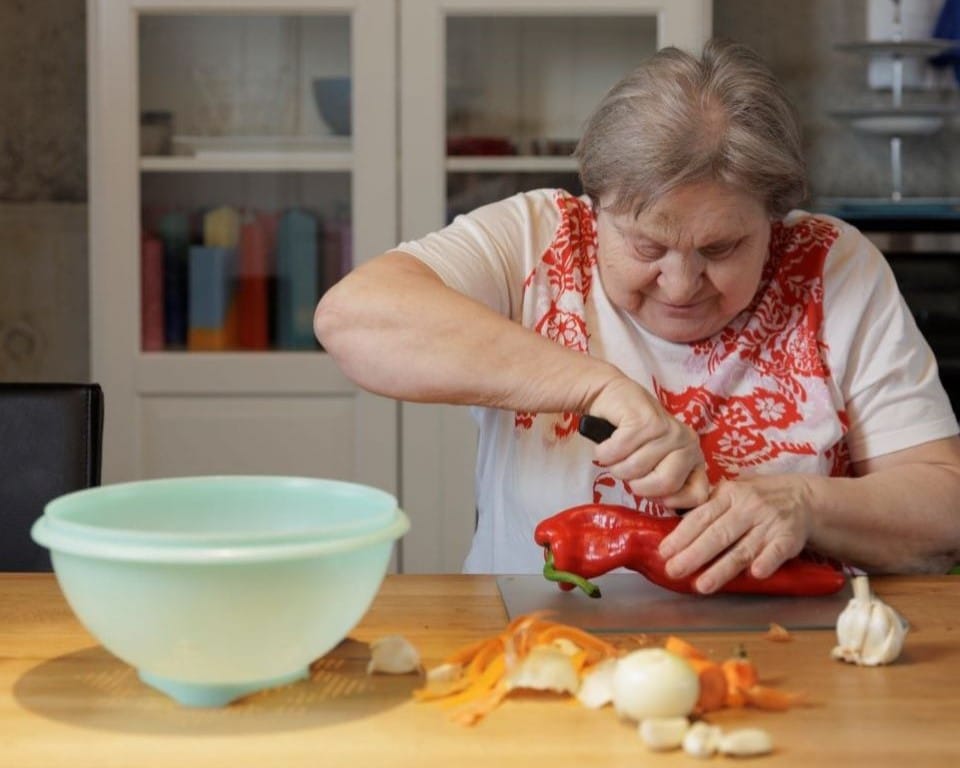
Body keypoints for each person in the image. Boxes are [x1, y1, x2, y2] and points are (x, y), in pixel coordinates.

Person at [315, 38, 960, 591]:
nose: (680, 285)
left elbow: (943, 513)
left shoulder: (831, 264)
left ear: (774, 220)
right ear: (595, 206)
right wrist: (595, 386)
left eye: (721, 248)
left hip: (797, 655)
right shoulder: (537, 237)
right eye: (647, 246)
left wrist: (807, 504)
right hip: (541, 642)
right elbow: (353, 318)